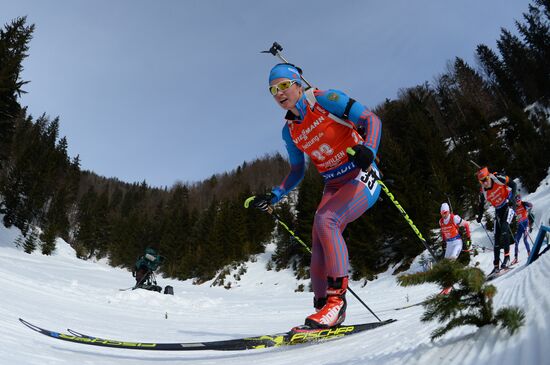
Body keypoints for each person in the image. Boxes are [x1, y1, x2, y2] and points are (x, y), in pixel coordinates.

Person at [248, 63, 382, 329]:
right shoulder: (290, 131)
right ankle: (322, 305)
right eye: (273, 90)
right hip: (333, 184)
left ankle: (337, 304)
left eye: (284, 85)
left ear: (298, 84)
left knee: (327, 221)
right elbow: (297, 170)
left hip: (360, 174)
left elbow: (371, 120)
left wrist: (369, 148)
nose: (279, 93)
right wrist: (273, 196)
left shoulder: (323, 99)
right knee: (318, 239)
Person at [475, 167, 517, 275]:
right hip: (498, 210)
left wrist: (512, 200)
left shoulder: (498, 178)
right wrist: (479, 216)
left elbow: (514, 185)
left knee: (504, 228)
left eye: (485, 179)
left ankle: (507, 258)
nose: (484, 183)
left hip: (508, 205)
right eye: (481, 181)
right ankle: (496, 266)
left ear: (488, 176)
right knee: (497, 238)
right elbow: (480, 205)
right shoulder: (483, 190)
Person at [438, 202, 471, 294]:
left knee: (451, 262)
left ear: (448, 211)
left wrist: (468, 238)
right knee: (445, 265)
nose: (444, 215)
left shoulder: (454, 218)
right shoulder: (440, 221)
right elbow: (444, 232)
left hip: (457, 243)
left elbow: (466, 224)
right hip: (449, 244)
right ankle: (446, 286)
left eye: (445, 212)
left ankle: (449, 286)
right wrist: (444, 241)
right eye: (442, 213)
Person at [512, 194, 533, 264]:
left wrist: (528, 205)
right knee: (516, 241)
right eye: (517, 201)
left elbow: (531, 205)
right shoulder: (515, 208)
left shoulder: (523, 204)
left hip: (526, 224)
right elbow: (514, 215)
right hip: (520, 226)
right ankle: (516, 258)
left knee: (525, 239)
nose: (518, 202)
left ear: (520, 200)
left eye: (519, 200)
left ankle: (529, 253)